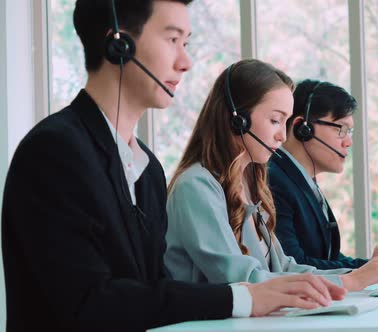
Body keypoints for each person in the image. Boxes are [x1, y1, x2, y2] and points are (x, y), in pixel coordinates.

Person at [1, 2, 344, 331]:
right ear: (118, 43)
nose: (185, 61)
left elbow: (154, 292)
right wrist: (242, 297)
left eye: (187, 43)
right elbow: (88, 303)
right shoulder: (56, 151)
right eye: (172, 39)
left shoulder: (147, 170)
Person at [165, 59, 378, 293]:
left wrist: (360, 274)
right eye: (275, 120)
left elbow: (285, 269)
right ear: (237, 120)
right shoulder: (196, 187)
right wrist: (350, 280)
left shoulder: (250, 184)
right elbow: (241, 281)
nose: (282, 137)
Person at [268, 79, 378, 271]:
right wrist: (370, 269)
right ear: (303, 128)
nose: (349, 142)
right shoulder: (274, 180)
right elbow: (294, 265)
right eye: (341, 129)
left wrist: (375, 265)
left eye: (349, 131)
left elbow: (325, 258)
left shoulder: (302, 181)